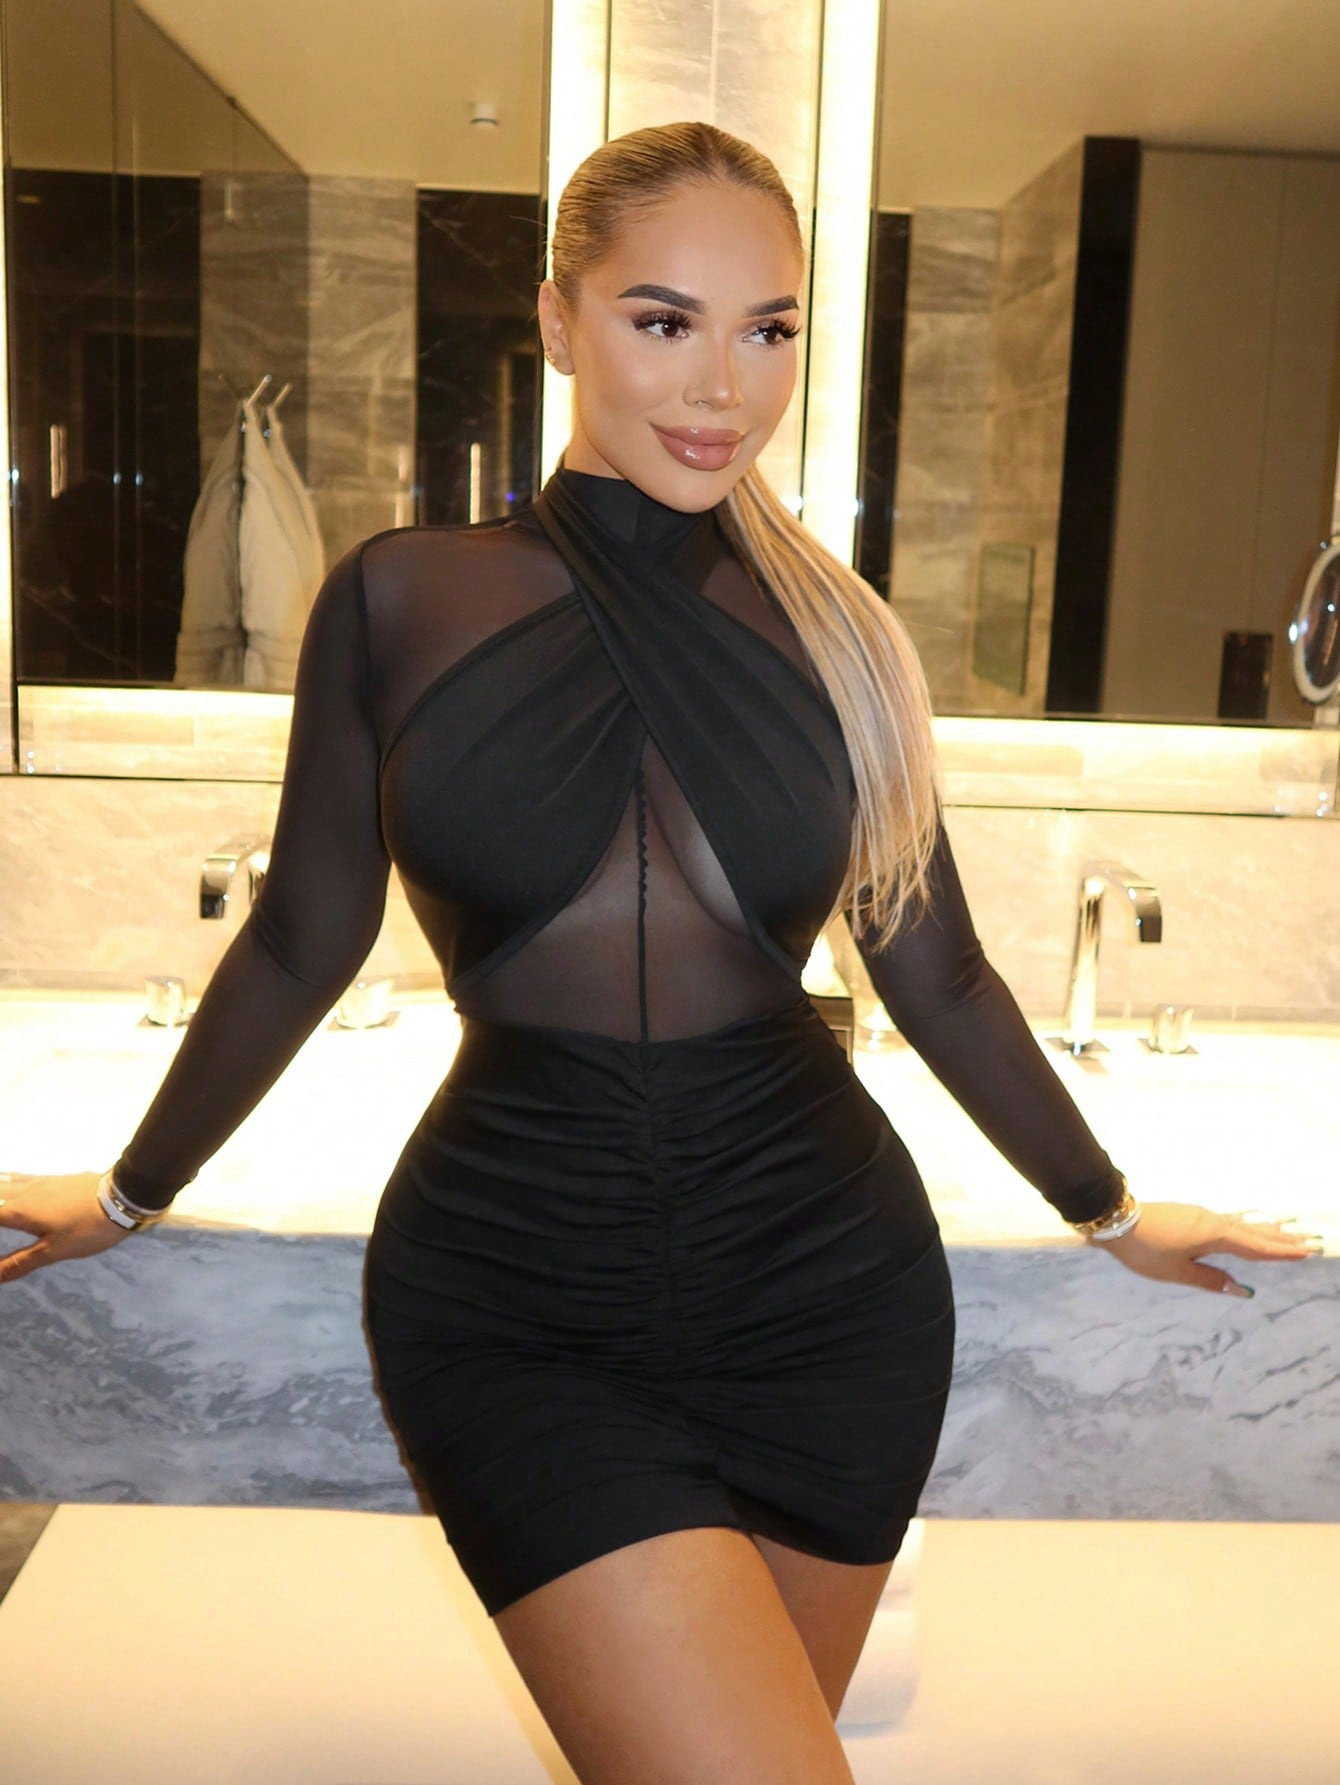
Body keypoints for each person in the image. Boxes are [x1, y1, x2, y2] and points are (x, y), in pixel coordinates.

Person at [0, 121, 1322, 1785]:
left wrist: (1113, 1210)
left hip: (828, 1300)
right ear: (559, 322)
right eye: (663, 320)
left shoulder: (844, 635)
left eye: (768, 328)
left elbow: (939, 973)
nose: (722, 386)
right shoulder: (401, 598)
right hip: (515, 1304)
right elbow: (297, 939)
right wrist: (127, 1192)